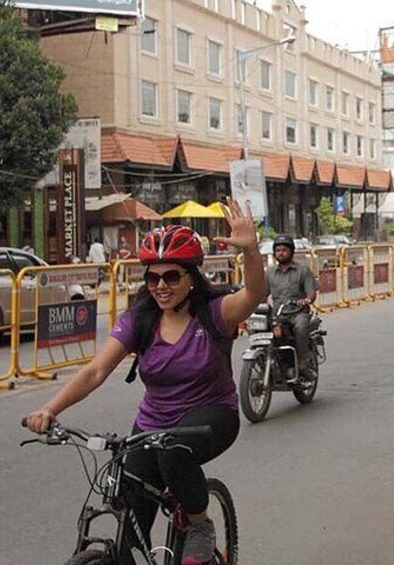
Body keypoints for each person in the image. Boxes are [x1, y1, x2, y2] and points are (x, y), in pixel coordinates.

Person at [24, 199, 267, 565]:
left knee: (173, 453)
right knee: (128, 518)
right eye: (152, 277)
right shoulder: (140, 320)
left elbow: (254, 293)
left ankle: (200, 526)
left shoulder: (215, 313)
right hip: (151, 425)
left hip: (211, 416)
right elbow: (95, 371)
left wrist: (250, 250)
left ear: (191, 278)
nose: (160, 286)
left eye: (171, 276)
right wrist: (49, 409)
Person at [265, 234, 320, 385]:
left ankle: (302, 364)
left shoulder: (303, 271)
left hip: (298, 313)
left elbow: (311, 293)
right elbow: (262, 295)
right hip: (278, 314)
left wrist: (306, 300)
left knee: (301, 327)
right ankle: (269, 362)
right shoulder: (269, 273)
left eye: (284, 250)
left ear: (291, 252)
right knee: (259, 326)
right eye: (278, 250)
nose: (281, 253)